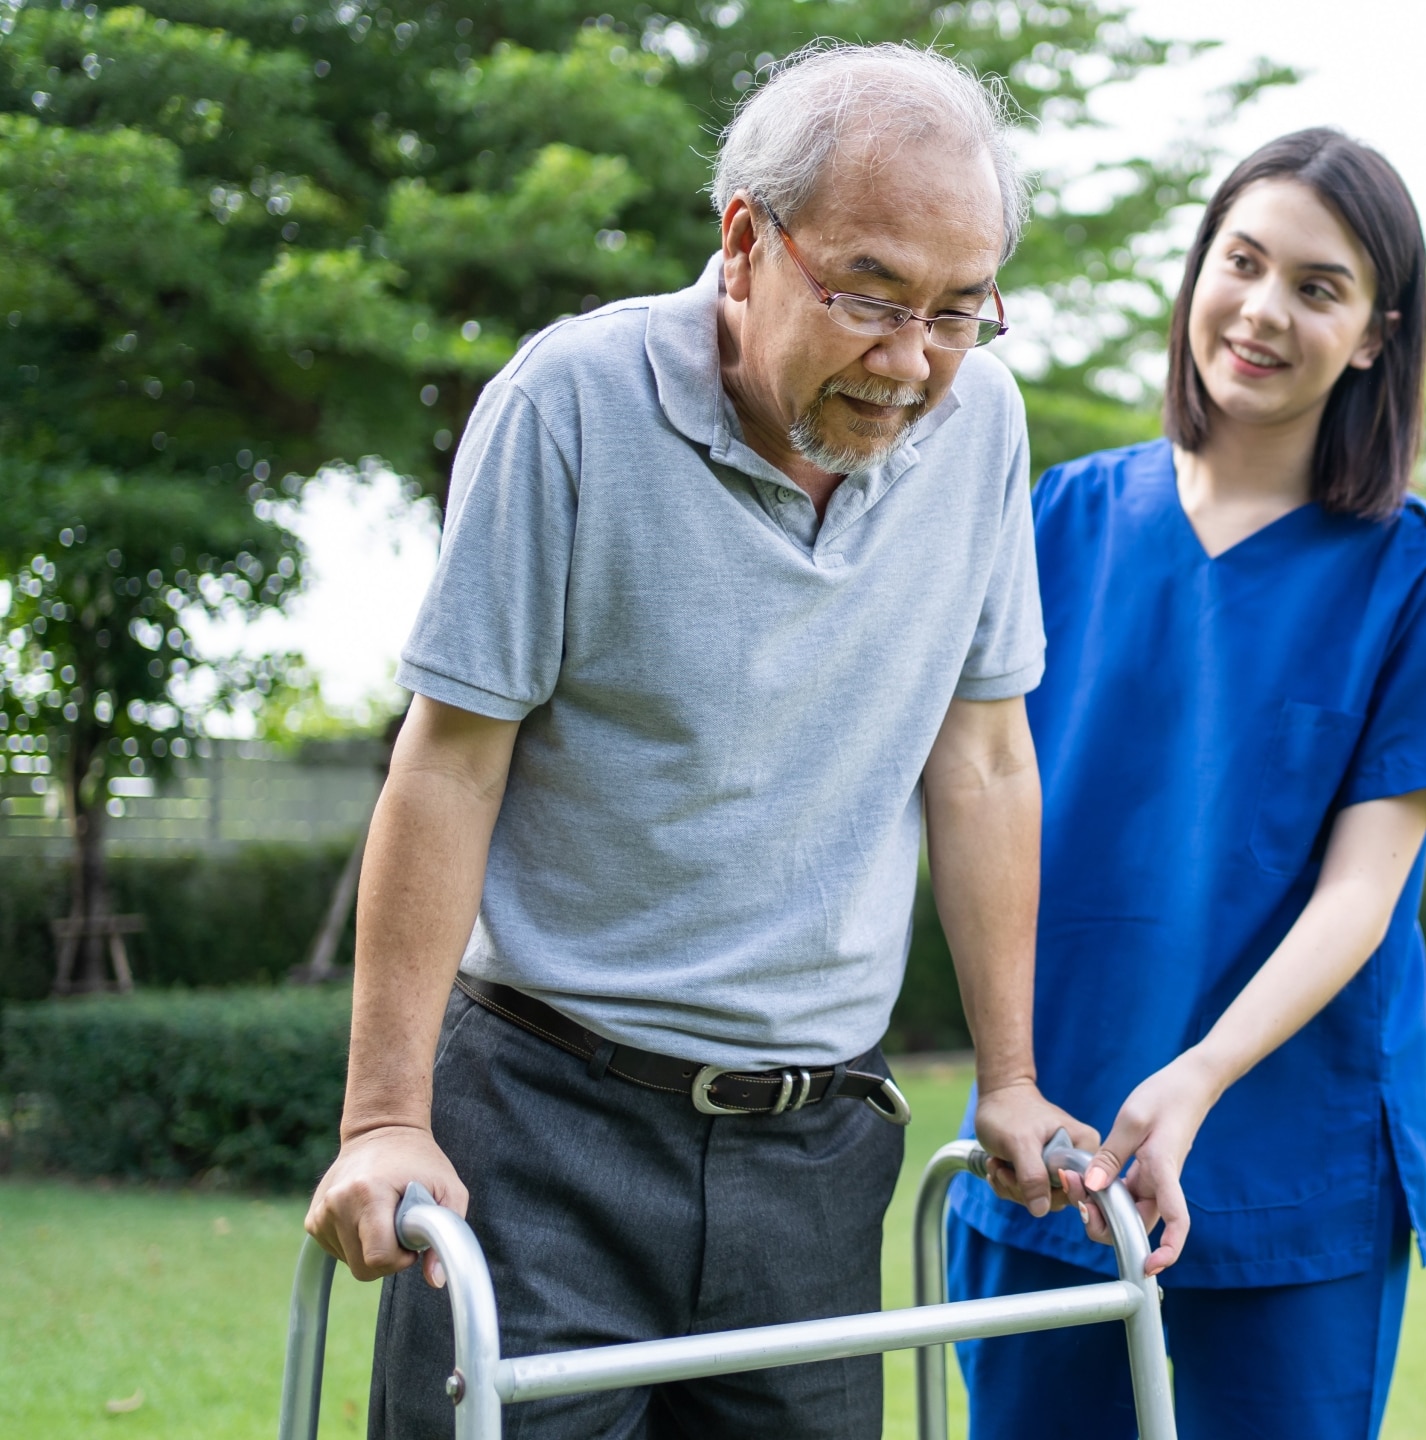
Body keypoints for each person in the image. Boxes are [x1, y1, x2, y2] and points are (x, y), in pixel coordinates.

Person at [301, 43, 1094, 1438]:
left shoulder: (982, 432)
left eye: (961, 311)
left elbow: (981, 761)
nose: (912, 361)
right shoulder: (569, 405)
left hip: (818, 1143)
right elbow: (449, 761)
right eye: (870, 297)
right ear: (744, 243)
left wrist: (1014, 1078)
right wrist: (382, 1116)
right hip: (544, 1125)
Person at [944, 129, 1426, 1440]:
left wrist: (1198, 1078)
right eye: (1241, 263)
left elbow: (1362, 895)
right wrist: (1012, 1073)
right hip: (1050, 1151)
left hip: (1286, 1177)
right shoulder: (1052, 523)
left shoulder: (1421, 580)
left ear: (1375, 334)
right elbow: (963, 795)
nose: (1261, 311)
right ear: (1196, 271)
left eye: (1318, 288)